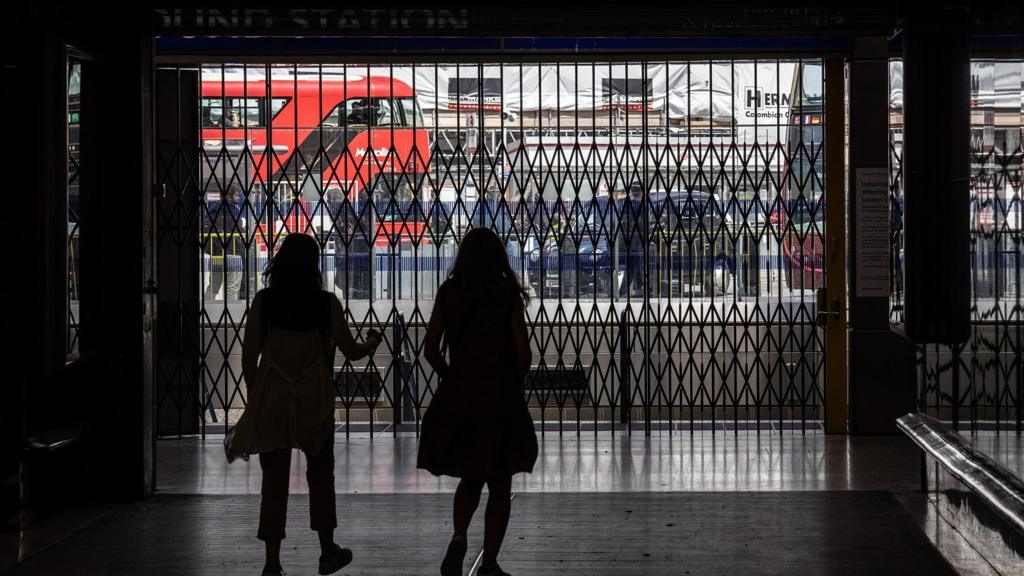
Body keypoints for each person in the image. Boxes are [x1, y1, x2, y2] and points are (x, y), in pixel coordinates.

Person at [225, 233, 382, 576]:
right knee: (321, 476)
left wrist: (257, 397)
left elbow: (249, 357)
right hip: (314, 400)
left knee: (274, 481)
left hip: (274, 400)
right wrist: (372, 341)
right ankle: (328, 552)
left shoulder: (265, 302)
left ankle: (272, 562)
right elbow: (352, 351)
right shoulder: (326, 304)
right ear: (314, 264)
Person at [417, 227, 537, 576]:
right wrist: (512, 384)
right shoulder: (506, 295)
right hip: (499, 396)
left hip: (462, 395)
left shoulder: (450, 291)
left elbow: (430, 348)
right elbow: (524, 353)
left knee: (470, 476)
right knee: (500, 483)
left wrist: (451, 376)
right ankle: (491, 563)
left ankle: (458, 537)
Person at [203, 188, 246, 302]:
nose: (237, 198)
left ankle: (205, 310)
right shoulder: (234, 212)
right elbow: (240, 232)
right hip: (233, 255)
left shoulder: (213, 212)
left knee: (212, 288)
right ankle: (231, 316)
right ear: (229, 196)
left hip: (217, 255)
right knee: (232, 290)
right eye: (236, 196)